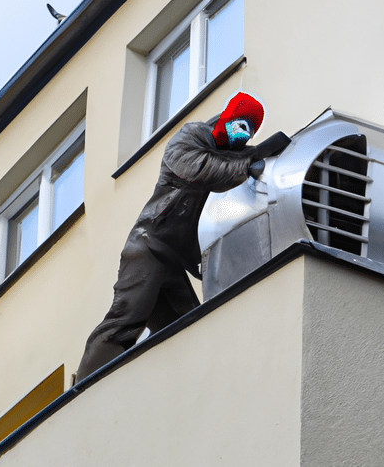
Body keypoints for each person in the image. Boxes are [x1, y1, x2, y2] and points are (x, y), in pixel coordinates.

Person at [75, 92, 290, 383]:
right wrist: (246, 164)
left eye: (248, 133)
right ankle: (83, 392)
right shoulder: (191, 137)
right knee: (124, 322)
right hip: (148, 248)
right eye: (238, 128)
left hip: (173, 260)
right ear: (226, 119)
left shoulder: (231, 154)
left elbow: (237, 164)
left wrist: (265, 155)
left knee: (189, 328)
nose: (241, 137)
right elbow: (198, 169)